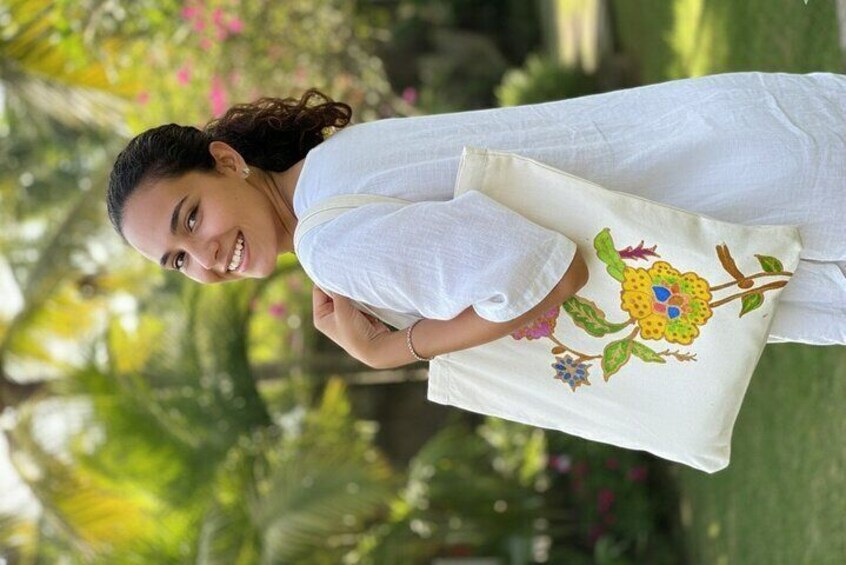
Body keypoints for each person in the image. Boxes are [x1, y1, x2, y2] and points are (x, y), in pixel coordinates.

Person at [108, 72, 846, 369]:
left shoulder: (329, 242)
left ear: (227, 161)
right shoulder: (337, 161)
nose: (203, 255)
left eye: (190, 218)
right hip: (742, 131)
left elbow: (547, 274)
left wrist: (395, 350)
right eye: (178, 260)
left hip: (761, 207)